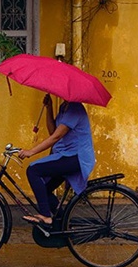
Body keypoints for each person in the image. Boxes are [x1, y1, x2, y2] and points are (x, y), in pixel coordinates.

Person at [18, 93, 95, 226]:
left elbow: (56, 137)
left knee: (33, 170)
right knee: (45, 190)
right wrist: (49, 108)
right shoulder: (65, 107)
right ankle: (63, 223)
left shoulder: (75, 109)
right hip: (66, 155)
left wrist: (31, 152)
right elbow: (53, 131)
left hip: (76, 157)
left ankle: (46, 215)